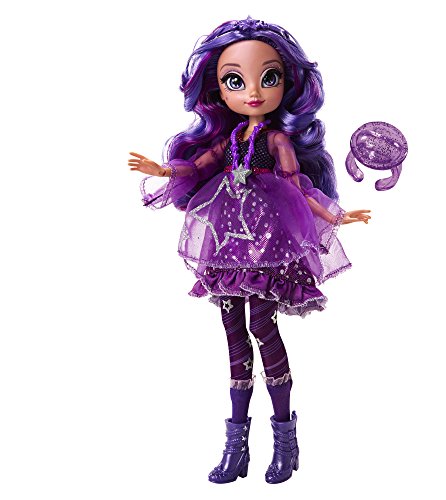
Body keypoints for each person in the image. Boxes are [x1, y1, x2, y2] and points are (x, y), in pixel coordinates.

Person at [129, 17, 370, 484]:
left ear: (288, 84)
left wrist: (336, 215)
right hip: (226, 240)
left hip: (268, 242)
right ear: (218, 89)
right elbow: (201, 164)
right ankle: (236, 445)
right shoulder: (230, 138)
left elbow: (295, 184)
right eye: (235, 81)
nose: (254, 91)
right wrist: (164, 170)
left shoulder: (276, 139)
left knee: (263, 326)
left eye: (269, 77)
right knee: (232, 333)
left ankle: (284, 440)